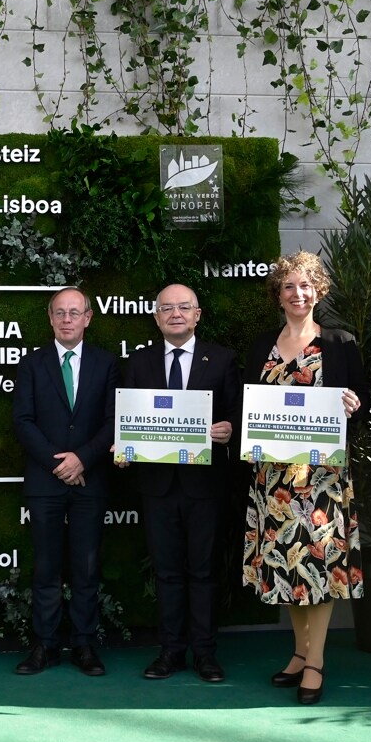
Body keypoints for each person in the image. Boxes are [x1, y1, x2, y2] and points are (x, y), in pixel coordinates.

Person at [243, 251, 368, 705]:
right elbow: (249, 406)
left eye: (306, 285)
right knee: (286, 566)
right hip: (273, 479)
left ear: (319, 290)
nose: (299, 294)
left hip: (322, 479)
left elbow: (363, 405)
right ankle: (299, 653)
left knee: (319, 566)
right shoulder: (261, 345)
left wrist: (353, 407)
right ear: (278, 294)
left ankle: (315, 662)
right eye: (290, 286)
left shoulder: (340, 342)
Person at [119, 284, 240, 683]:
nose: (175, 314)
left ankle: (205, 654)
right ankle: (170, 651)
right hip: (157, 484)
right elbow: (127, 421)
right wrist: (124, 444)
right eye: (167, 308)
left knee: (204, 572)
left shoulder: (222, 360)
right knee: (167, 572)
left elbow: (238, 417)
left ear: (197, 314)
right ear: (156, 317)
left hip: (205, 485)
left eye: (183, 307)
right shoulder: (138, 363)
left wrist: (229, 429)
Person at [12, 287, 119, 676]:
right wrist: (58, 463)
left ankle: (84, 645)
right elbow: (23, 421)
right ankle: (44, 646)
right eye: (61, 312)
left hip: (90, 480)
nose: (67, 319)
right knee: (45, 568)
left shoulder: (106, 364)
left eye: (75, 312)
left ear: (88, 318)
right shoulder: (32, 364)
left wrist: (82, 459)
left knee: (87, 569)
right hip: (46, 481)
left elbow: (112, 421)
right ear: (50, 318)